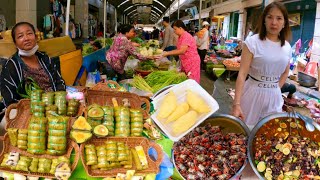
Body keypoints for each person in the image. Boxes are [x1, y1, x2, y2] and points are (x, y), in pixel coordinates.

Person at [231, 2, 292, 128]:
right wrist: (236, 104)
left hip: (274, 97)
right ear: (264, 20)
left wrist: (274, 88)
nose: (274, 22)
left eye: (279, 18)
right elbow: (242, 74)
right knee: (244, 130)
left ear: (284, 22)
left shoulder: (287, 47)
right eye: (270, 17)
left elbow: (286, 72)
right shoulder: (253, 42)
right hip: (252, 94)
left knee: (268, 133)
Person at [0, 22, 66, 107]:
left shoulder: (45, 58)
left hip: (54, 107)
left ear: (36, 37)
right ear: (15, 43)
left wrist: (59, 100)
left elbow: (59, 81)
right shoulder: (11, 66)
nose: (26, 38)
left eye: (29, 34)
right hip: (28, 111)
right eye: (20, 36)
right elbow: (10, 99)